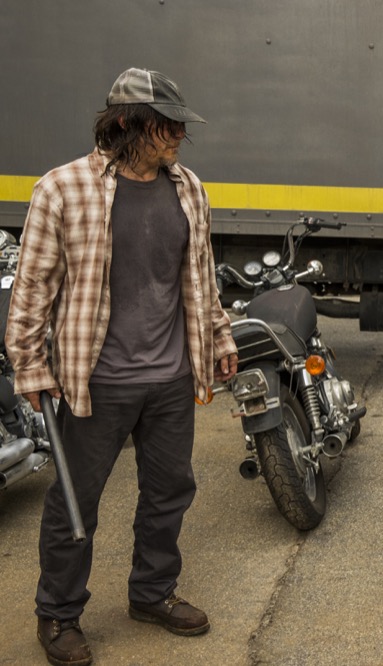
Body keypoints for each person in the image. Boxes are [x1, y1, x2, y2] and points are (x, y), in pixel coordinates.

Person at [6, 68, 239, 666]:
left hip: (169, 378)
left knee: (169, 493)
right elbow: (32, 287)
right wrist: (30, 366)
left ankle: (152, 594)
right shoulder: (62, 189)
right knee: (75, 502)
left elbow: (200, 275)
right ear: (130, 125)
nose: (181, 136)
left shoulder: (188, 188)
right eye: (169, 125)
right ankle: (58, 613)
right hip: (94, 381)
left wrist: (216, 335)